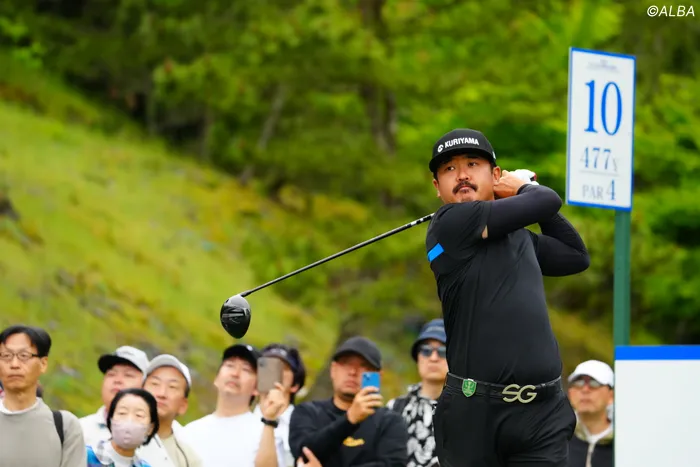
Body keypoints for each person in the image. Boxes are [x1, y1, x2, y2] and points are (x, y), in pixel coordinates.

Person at [425, 128, 590, 467]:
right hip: (476, 415)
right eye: (450, 169)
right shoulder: (449, 224)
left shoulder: (521, 239)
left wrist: (521, 197)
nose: (462, 175)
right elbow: (547, 200)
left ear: (495, 176)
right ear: (438, 187)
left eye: (473, 164)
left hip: (542, 414)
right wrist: (523, 188)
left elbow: (576, 256)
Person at [288, 336, 409, 467]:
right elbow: (304, 455)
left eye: (363, 366)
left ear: (378, 376)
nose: (352, 372)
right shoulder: (307, 412)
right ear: (333, 370)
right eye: (346, 363)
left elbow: (394, 464)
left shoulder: (389, 422)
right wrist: (350, 419)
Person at [179, 343, 288, 467]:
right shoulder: (190, 432)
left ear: (257, 387)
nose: (235, 374)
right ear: (216, 378)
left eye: (246, 370)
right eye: (230, 365)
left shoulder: (267, 434)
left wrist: (270, 421)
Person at [0, 324, 87, 466]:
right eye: (6, 356)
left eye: (23, 356)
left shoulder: (65, 427)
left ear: (43, 364)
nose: (14, 364)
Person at [387, 318, 448, 467]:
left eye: (442, 351)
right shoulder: (395, 408)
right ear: (417, 357)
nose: (433, 358)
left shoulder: (467, 410)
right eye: (426, 350)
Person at [140, 354, 203, 467]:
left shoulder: (188, 460)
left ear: (183, 405)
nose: (162, 393)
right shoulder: (114, 438)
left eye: (172, 387)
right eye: (155, 384)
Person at [81, 345, 150, 447]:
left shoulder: (157, 437)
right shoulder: (80, 430)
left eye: (128, 375)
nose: (117, 380)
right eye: (111, 374)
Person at [253, 343, 307, 467]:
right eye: (267, 365)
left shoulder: (306, 426)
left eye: (284, 368)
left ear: (295, 385)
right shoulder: (241, 421)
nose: (274, 371)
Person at [87, 387, 159, 467]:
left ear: (150, 428)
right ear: (111, 419)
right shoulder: (85, 455)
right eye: (122, 413)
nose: (129, 421)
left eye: (139, 415)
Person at [566, 360, 614, 467]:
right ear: (570, 393)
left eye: (594, 383)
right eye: (578, 382)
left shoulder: (626, 440)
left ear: (611, 395)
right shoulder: (556, 435)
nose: (585, 389)